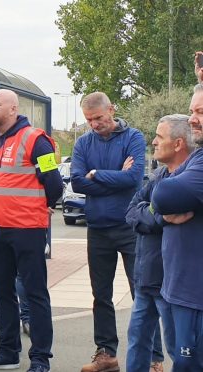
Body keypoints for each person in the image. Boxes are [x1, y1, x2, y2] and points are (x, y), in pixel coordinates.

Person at [0, 89, 62, 372]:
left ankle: (40, 358)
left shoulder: (35, 140)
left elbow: (54, 184)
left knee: (35, 294)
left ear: (13, 109)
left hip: (27, 229)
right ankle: (8, 351)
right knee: (1, 290)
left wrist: (42, 206)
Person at [70, 92, 146, 372]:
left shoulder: (133, 137)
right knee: (100, 295)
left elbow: (134, 178)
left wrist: (96, 174)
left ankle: (152, 357)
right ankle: (106, 354)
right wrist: (113, 175)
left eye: (98, 118)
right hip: (98, 230)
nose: (94, 124)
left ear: (111, 110)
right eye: (89, 120)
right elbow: (77, 183)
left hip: (130, 228)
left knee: (143, 293)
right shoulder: (83, 143)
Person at [126, 115, 191, 372]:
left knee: (179, 349)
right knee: (138, 341)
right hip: (145, 279)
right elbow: (131, 211)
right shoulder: (158, 176)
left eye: (159, 137)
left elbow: (148, 213)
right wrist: (160, 215)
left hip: (171, 283)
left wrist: (150, 214)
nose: (153, 141)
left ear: (177, 144)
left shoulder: (189, 181)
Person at [152, 84, 203, 371]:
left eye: (200, 111)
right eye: (191, 110)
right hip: (176, 287)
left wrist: (162, 203)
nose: (193, 118)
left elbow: (162, 195)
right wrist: (160, 210)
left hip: (195, 296)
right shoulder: (196, 158)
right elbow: (154, 195)